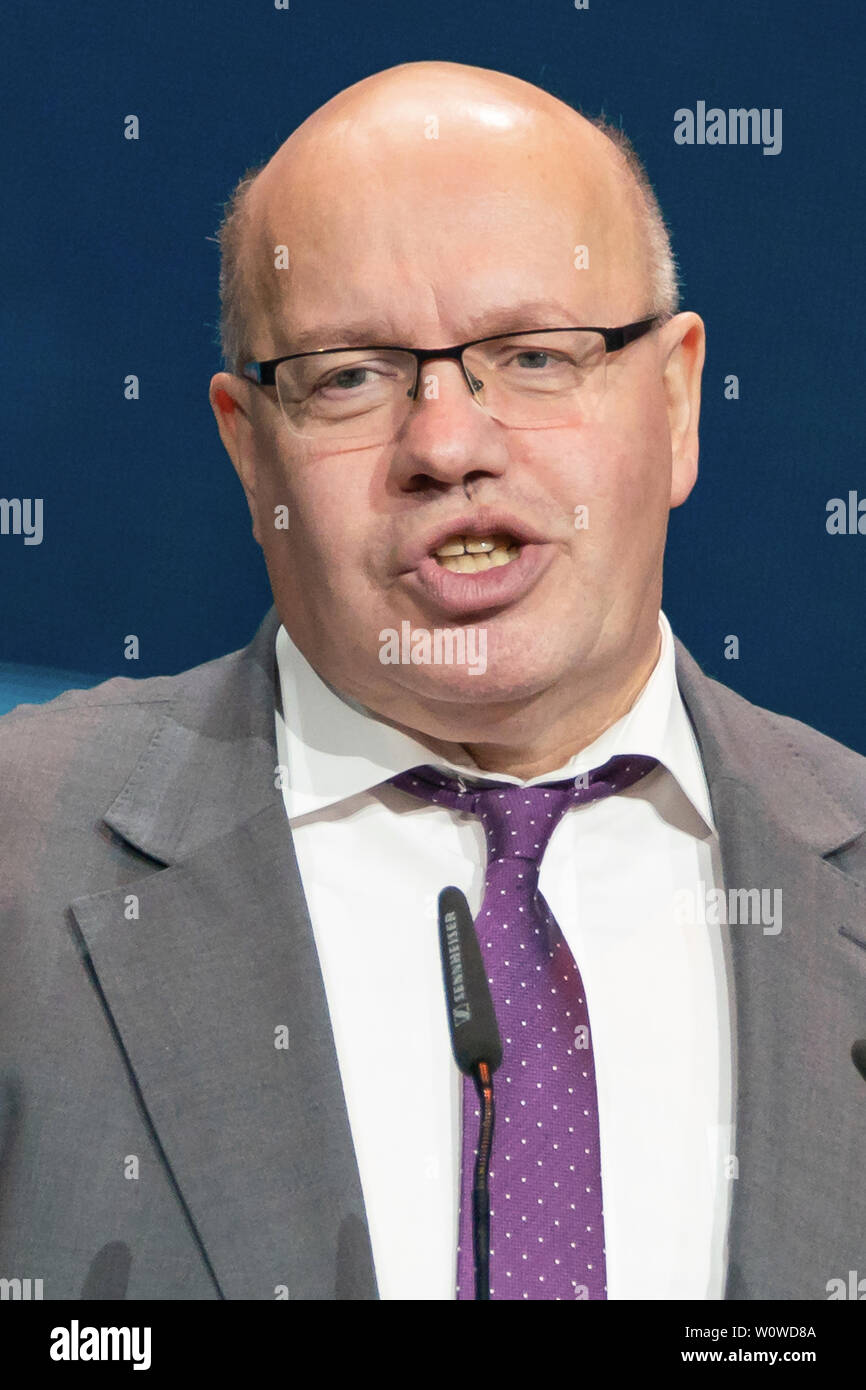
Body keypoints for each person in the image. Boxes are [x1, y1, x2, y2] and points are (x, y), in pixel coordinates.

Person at [1, 60, 864, 1303]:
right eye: (349, 374)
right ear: (249, 452)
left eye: (532, 356)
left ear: (675, 400)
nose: (447, 445)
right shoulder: (21, 867)